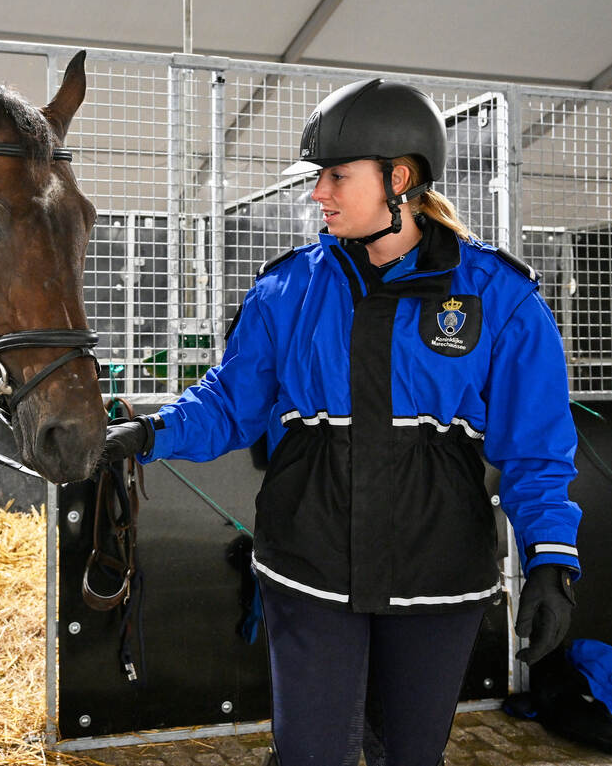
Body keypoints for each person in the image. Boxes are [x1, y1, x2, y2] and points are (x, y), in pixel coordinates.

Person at [101, 78, 582, 766]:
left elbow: (537, 449)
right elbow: (230, 403)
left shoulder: (499, 297)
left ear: (399, 179)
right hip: (310, 567)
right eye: (318, 176)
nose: (317, 193)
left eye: (336, 175)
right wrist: (149, 433)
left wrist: (551, 560)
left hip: (437, 573)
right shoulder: (285, 290)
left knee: (408, 756)